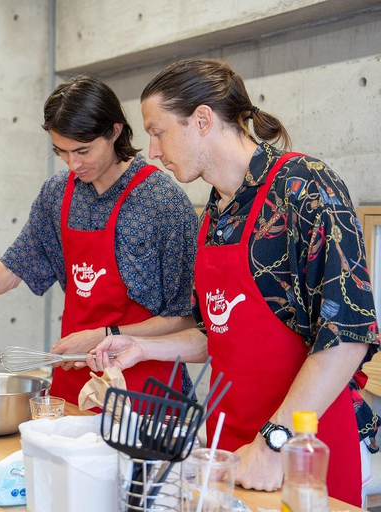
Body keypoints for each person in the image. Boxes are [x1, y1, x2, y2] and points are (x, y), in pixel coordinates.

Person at [87, 58, 378, 507]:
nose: (153, 151)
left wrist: (273, 442)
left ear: (202, 119)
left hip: (301, 452)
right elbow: (218, 332)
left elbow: (348, 337)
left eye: (158, 131)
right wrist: (146, 349)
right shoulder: (215, 215)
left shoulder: (304, 188)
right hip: (232, 451)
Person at [0, 75, 198, 405]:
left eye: (83, 150)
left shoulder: (163, 203)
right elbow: (12, 270)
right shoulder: (57, 194)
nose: (73, 163)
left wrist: (108, 336)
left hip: (146, 391)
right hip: (75, 382)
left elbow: (187, 319)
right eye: (61, 152)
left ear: (114, 131)